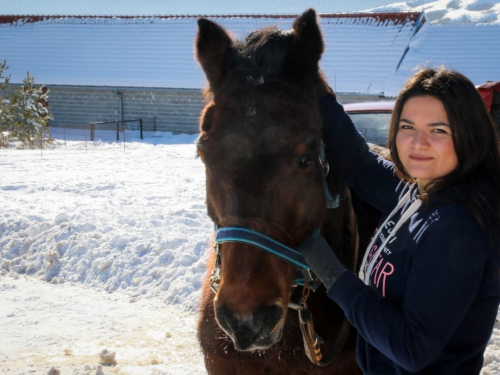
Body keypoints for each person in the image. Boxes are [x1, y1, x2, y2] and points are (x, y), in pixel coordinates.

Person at [297, 67, 500, 374]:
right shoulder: (424, 190)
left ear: (469, 134)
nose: (418, 143)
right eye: (407, 126)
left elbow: (411, 347)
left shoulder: (458, 229)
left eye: (438, 130)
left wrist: (335, 277)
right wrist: (318, 91)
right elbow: (360, 164)